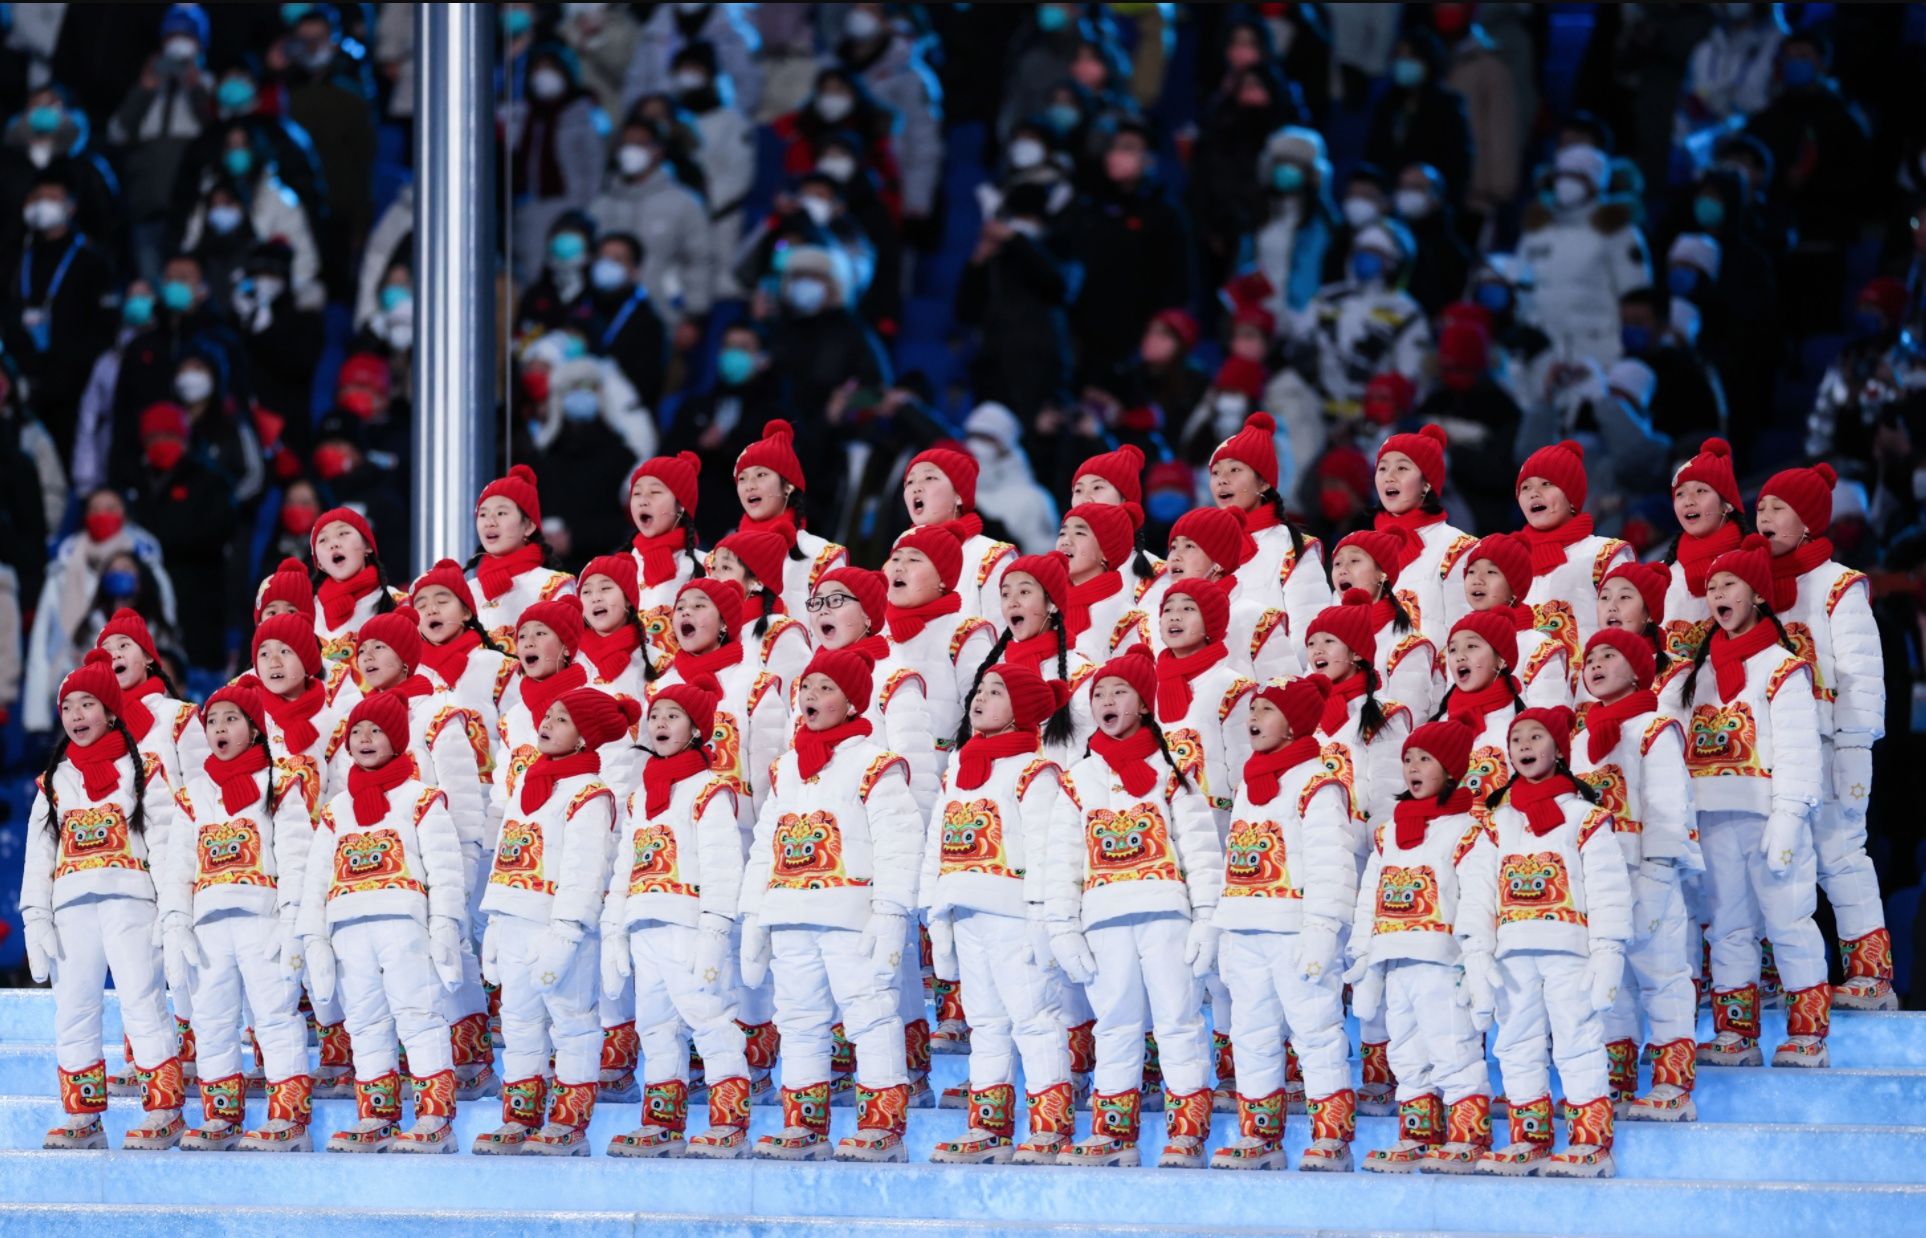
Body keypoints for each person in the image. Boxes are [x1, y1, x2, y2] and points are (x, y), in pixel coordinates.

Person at [739, 646, 925, 1162]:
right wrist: (753, 915)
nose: (810, 696)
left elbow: (899, 841)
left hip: (850, 915)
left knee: (869, 1013)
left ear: (852, 702)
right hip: (789, 915)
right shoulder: (786, 770)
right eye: (806, 687)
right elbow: (764, 846)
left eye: (825, 688)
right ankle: (804, 1125)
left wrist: (890, 914)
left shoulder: (875, 764)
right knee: (797, 1018)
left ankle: (883, 1128)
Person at [1043, 647, 1224, 1168]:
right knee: (1115, 1023)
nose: (1106, 700)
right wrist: (1063, 929)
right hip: (1103, 919)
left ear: (1144, 704)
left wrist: (1207, 918)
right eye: (1098, 693)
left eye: (1119, 690)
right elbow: (1063, 862)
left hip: (1166, 915)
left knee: (1178, 1019)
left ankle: (1187, 1134)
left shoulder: (1173, 771)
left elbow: (1200, 851)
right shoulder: (1078, 781)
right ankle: (1113, 1135)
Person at [1459, 706, 1632, 1178]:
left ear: (1559, 749)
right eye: (1517, 739)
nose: (1525, 747)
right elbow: (1477, 890)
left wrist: (1609, 951)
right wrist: (1476, 951)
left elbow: (1608, 889)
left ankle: (1591, 1140)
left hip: (1568, 950)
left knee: (1577, 1040)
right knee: (1514, 1043)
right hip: (1512, 953)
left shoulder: (1585, 818)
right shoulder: (1497, 822)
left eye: (1536, 737)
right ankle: (1528, 1136)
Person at [1677, 536, 1829, 1067]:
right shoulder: (1698, 673)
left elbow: (1798, 747)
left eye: (1729, 584)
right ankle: (1735, 1032)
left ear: (1759, 596)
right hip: (1713, 816)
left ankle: (1808, 1032)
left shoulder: (1782, 667)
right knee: (1728, 925)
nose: (1717, 593)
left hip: (1767, 816)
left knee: (1788, 919)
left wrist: (1790, 816)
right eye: (1712, 586)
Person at [24, 653, 184, 1151]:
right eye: (67, 706)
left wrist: (173, 910)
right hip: (73, 909)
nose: (76, 715)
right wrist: (36, 917)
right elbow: (38, 855)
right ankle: (82, 1115)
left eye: (87, 704)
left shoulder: (145, 770)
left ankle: (164, 1109)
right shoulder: (54, 781)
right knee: (73, 1008)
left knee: (142, 1001)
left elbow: (165, 843)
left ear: (111, 711)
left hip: (131, 903)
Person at [1755, 464, 1894, 1010]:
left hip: (1831, 745)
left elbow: (1862, 675)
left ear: (1808, 521)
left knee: (1839, 854)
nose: (1763, 516)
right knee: (1773, 859)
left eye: (1778, 508)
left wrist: (1856, 748)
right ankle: (1776, 975)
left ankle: (1871, 975)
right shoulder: (1752, 585)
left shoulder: (1838, 585)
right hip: (1771, 750)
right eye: (1760, 507)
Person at [923, 661, 1074, 1165]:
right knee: (986, 1021)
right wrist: (935, 913)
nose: (979, 699)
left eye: (996, 691)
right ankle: (989, 1127)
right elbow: (935, 847)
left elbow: (1044, 850)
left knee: (1033, 1016)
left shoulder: (1035, 771)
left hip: (1013, 915)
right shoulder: (958, 767)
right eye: (978, 690)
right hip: (965, 911)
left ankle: (1051, 1126)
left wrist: (1041, 919)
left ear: (1025, 710)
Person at [298, 690, 461, 1155]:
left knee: (418, 1014)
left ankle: (435, 1117)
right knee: (364, 1021)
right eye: (357, 731)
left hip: (403, 926)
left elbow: (446, 869)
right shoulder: (336, 810)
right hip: (349, 928)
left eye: (377, 730)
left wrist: (445, 925)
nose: (365, 738)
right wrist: (314, 937)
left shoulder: (422, 799)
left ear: (399, 739)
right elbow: (315, 878)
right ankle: (377, 1114)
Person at [474, 685, 634, 1155]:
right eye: (549, 715)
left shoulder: (590, 793)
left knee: (572, 1020)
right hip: (516, 920)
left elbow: (586, 869)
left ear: (585, 736)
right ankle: (520, 1114)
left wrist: (566, 932)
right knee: (520, 1020)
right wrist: (496, 926)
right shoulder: (528, 781)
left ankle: (569, 1121)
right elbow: (508, 855)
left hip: (558, 929)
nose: (546, 723)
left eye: (563, 719)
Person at [1211, 674, 1358, 1172]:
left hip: (1295, 930)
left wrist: (1322, 929)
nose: (1254, 718)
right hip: (1247, 925)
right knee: (1250, 1032)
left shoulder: (1318, 782)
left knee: (1315, 1029)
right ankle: (1261, 1136)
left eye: (1268, 710)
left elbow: (1331, 862)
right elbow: (1236, 860)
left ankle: (1331, 1136)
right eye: (1253, 709)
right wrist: (1226, 930)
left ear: (1294, 725)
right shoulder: (1248, 783)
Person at [600, 681, 751, 1157]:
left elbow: (724, 864)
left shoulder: (709, 790)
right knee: (654, 1024)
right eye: (656, 714)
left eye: (673, 715)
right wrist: (613, 930)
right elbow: (625, 864)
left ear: (697, 729)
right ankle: (662, 1121)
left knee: (708, 1016)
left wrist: (715, 931)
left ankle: (730, 1120)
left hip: (688, 926)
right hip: (643, 923)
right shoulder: (640, 795)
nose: (660, 723)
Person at [161, 683, 314, 1151]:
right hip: (209, 925)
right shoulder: (192, 795)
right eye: (212, 721)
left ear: (253, 728)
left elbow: (296, 856)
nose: (219, 728)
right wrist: (174, 921)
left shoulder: (279, 781)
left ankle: (289, 1119)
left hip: (262, 920)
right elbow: (178, 864)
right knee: (211, 1019)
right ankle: (221, 1115)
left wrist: (291, 921)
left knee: (274, 1015)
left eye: (231, 719)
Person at [1348, 712, 1493, 1172]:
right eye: (1407, 758)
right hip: (1395, 960)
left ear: (1451, 770)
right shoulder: (1389, 833)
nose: (1412, 767)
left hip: (1441, 962)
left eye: (1424, 759)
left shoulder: (1468, 828)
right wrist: (1364, 956)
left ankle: (1468, 1134)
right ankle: (1417, 1133)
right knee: (1405, 1050)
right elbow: (1370, 895)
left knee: (1451, 1044)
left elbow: (1476, 895)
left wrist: (1475, 956)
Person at [1572, 628, 1703, 1119]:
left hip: (1646, 870)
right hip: (1597, 878)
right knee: (1613, 978)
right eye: (1590, 657)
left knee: (1662, 971)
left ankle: (1673, 1082)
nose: (1596, 663)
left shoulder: (1655, 727)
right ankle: (1616, 1076)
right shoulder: (1581, 737)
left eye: (1610, 655)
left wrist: (1657, 873)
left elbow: (1669, 807)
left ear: (1639, 668)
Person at [23, 489, 177, 733]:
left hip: (147, 711)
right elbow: (45, 642)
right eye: (94, 509)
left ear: (125, 515)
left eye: (110, 508)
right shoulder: (65, 569)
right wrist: (37, 714)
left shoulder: (150, 570)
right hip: (79, 704)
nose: (101, 515)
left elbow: (168, 639)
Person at [1210, 413, 1333, 660]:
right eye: (1215, 472)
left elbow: (1309, 633)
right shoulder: (1204, 545)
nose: (1222, 480)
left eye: (1235, 470)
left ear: (1264, 482)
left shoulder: (1293, 547)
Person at [1517, 144, 1651, 366]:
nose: (1566, 182)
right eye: (1561, 175)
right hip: (1540, 352)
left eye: (1576, 176)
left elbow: (1635, 296)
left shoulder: (1617, 231)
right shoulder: (1536, 231)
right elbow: (1520, 286)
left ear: (1596, 182)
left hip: (1597, 353)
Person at [588, 118, 717, 337]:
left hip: (664, 317)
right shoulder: (601, 204)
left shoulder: (684, 203)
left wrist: (693, 315)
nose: (631, 150)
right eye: (626, 144)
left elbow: (699, 260)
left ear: (658, 150)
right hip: (602, 316)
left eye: (640, 144)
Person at [1516, 440, 1634, 658]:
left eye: (1546, 484)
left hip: (1589, 687)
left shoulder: (1604, 554)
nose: (1534, 493)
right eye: (1525, 487)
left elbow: (1627, 632)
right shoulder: (1509, 561)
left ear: (1571, 497)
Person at [1375, 425, 1477, 646]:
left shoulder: (1457, 547)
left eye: (1402, 468)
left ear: (1426, 483)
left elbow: (1467, 631)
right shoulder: (1357, 547)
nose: (1389, 477)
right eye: (1382, 468)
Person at [899, 445, 1016, 622]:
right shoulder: (899, 555)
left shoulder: (990, 556)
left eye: (929, 478)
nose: (916, 487)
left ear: (958, 495)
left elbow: (1003, 633)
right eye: (910, 482)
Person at [1329, 531, 1439, 719]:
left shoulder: (1405, 643)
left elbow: (1410, 717)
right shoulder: (1325, 635)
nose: (1343, 569)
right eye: (1337, 563)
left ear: (1382, 574)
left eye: (1355, 561)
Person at [469, 465, 579, 647]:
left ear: (528, 526)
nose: (490, 522)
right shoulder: (468, 592)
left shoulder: (551, 586)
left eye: (501, 513)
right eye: (483, 514)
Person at [1461, 534, 1571, 712]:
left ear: (1515, 588)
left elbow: (1546, 722)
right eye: (1471, 571)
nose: (1477, 579)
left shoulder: (1537, 648)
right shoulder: (1457, 645)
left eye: (1491, 572)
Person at [1364, 29, 1472, 209]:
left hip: (1429, 200)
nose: (1403, 62)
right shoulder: (1388, 103)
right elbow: (1374, 151)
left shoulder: (1448, 106)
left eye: (1411, 56)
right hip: (1387, 197)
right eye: (1399, 55)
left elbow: (1456, 163)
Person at [1660, 438, 1745, 663]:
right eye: (1680, 494)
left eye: (1700, 491)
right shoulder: (1663, 571)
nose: (1689, 501)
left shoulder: (1751, 565)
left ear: (1727, 504)